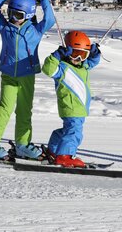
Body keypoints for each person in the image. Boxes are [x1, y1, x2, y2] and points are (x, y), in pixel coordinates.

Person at [0, 0, 56, 160]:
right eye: (10, 13)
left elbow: (50, 19)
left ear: (28, 16)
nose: (13, 18)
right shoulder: (6, 27)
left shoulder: (35, 30)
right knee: (4, 107)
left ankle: (22, 144)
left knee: (24, 110)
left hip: (27, 74)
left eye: (18, 15)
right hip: (8, 74)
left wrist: (44, 0)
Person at [41, 30, 102, 167]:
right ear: (67, 51)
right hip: (70, 107)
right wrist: (56, 56)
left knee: (65, 132)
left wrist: (95, 53)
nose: (78, 59)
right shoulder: (62, 68)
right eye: (75, 54)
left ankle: (54, 151)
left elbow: (93, 61)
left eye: (83, 55)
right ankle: (65, 156)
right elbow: (48, 69)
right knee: (74, 132)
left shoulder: (83, 67)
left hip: (79, 108)